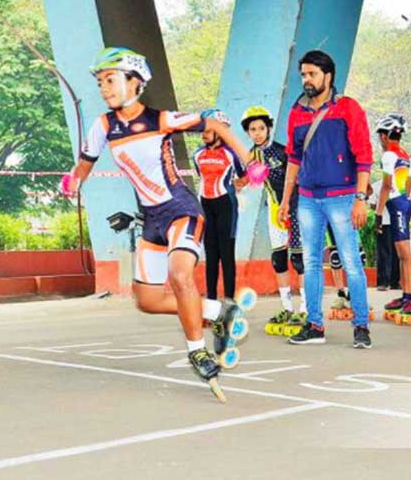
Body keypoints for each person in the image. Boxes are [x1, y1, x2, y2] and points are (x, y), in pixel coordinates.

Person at [65, 47, 263, 399]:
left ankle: (196, 350)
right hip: (151, 219)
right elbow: (85, 162)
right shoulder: (103, 126)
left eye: (110, 80)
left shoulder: (162, 119)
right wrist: (74, 180)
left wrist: (249, 162)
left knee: (181, 274)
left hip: (181, 210)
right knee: (148, 300)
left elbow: (214, 123)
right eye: (100, 83)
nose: (104, 88)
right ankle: (219, 311)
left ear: (135, 82)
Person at [278, 50, 375, 349]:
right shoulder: (297, 112)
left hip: (343, 197)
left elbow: (364, 157)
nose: (306, 80)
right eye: (303, 75)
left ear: (328, 76)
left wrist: (360, 198)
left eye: (312, 74)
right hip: (307, 198)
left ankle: (361, 326)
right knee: (310, 261)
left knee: (350, 262)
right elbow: (293, 158)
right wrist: (285, 201)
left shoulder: (348, 108)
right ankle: (315, 325)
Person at [241, 106, 307, 336]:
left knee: (299, 259)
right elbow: (249, 182)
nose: (257, 133)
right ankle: (287, 308)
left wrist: (290, 205)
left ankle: (305, 309)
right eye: (252, 129)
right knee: (279, 259)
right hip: (274, 209)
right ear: (248, 133)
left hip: (297, 205)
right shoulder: (251, 156)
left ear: (269, 128)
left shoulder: (283, 151)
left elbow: (298, 178)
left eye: (261, 128)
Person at [192, 110, 247, 301]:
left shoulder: (231, 154)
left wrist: (239, 184)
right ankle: (211, 299)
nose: (203, 134)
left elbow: (246, 174)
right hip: (206, 206)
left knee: (226, 253)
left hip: (226, 206)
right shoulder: (197, 154)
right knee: (211, 254)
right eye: (203, 130)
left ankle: (230, 300)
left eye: (207, 130)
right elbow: (202, 177)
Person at [375, 114, 411, 325]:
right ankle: (405, 295)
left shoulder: (388, 155)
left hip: (397, 206)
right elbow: (408, 184)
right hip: (403, 203)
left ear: (385, 136)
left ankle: (410, 298)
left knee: (405, 254)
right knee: (402, 254)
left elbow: (385, 186)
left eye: (380, 136)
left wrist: (377, 214)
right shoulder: (405, 154)